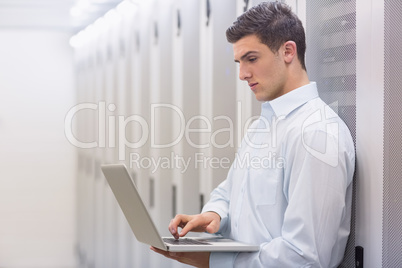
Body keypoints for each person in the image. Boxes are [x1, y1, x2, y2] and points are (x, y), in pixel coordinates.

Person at [151, 2, 355, 267]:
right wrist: (215, 213)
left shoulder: (317, 134)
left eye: (251, 59)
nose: (242, 74)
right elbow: (232, 190)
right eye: (238, 62)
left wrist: (216, 262)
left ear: (288, 51)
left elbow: (304, 257)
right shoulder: (264, 125)